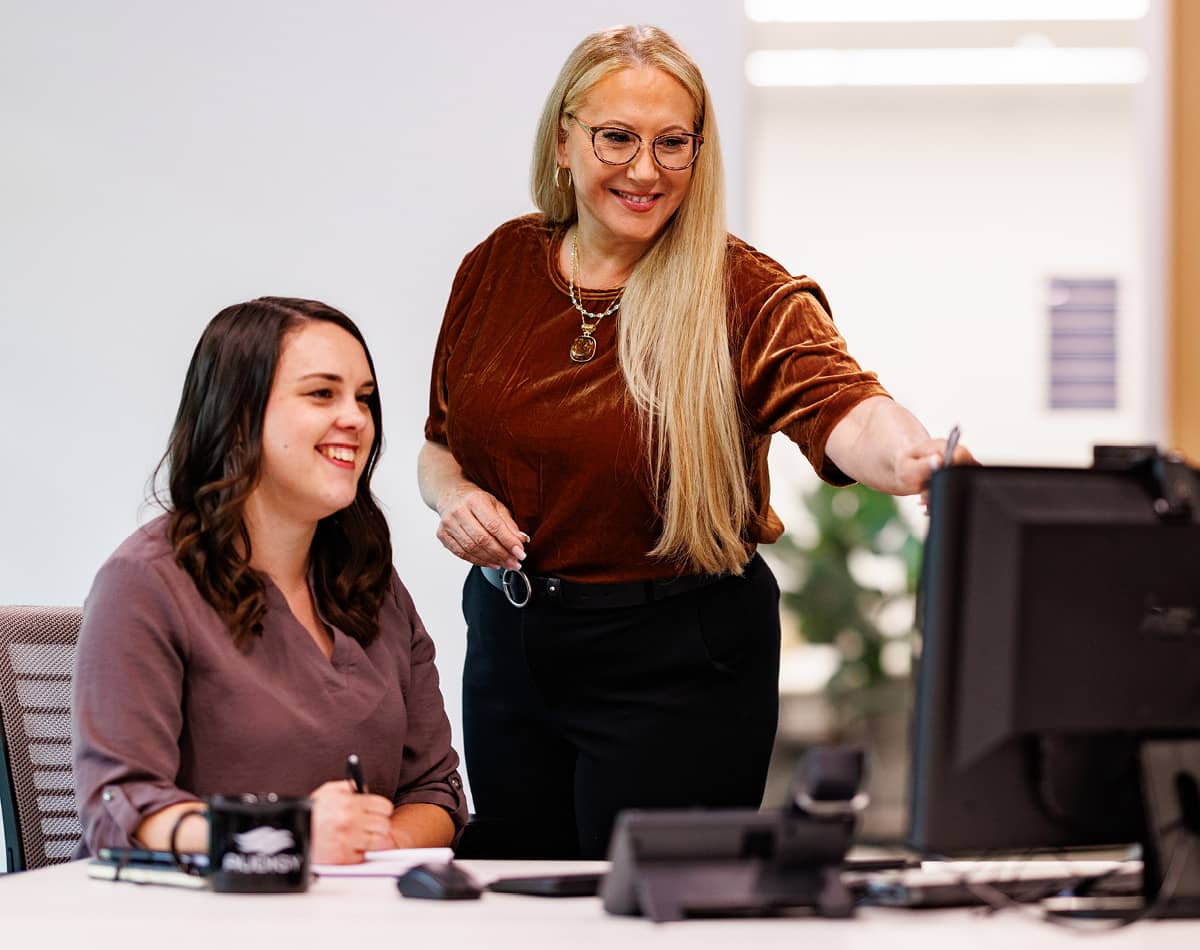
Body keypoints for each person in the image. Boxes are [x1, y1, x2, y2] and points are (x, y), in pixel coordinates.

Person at [419, 25, 974, 859]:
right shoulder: (496, 266)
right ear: (564, 139)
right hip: (512, 647)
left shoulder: (742, 289)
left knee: (652, 917)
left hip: (678, 664)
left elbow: (845, 403)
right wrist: (454, 498)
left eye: (672, 143)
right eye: (618, 137)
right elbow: (439, 446)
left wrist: (912, 458)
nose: (645, 170)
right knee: (514, 902)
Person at [74, 297, 467, 863]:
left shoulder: (373, 584)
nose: (355, 419)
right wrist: (288, 833)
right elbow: (122, 809)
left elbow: (434, 792)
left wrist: (386, 841)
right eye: (321, 394)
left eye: (363, 398)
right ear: (237, 414)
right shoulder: (143, 583)